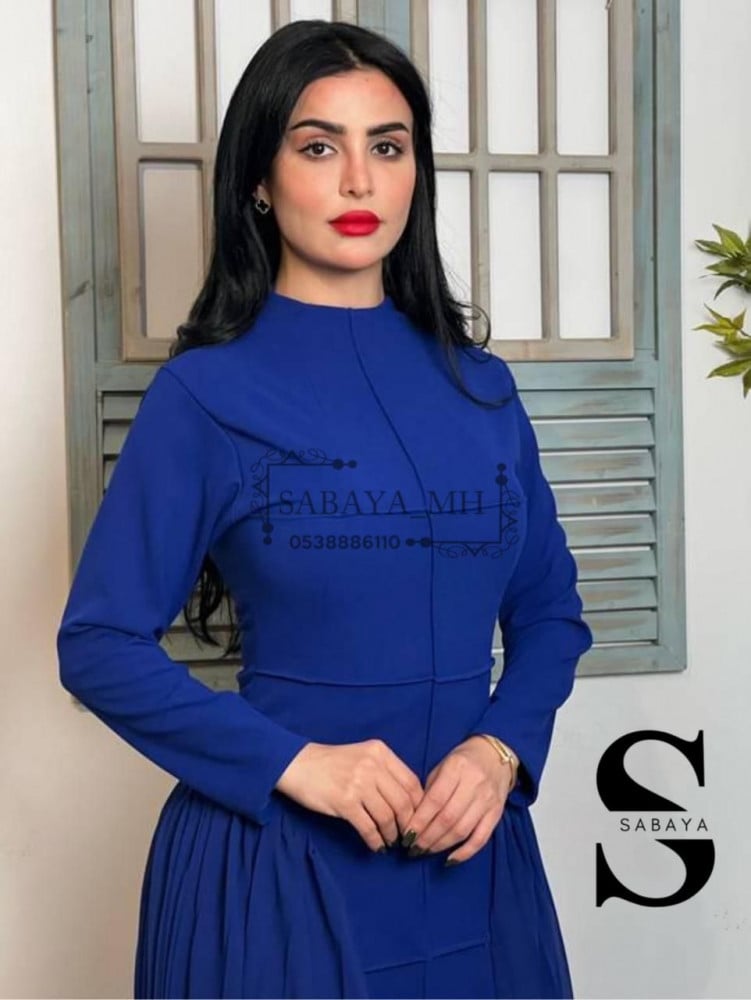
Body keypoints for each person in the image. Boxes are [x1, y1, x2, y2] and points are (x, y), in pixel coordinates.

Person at [56, 18, 593, 1000]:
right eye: (317, 147)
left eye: (386, 147)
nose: (357, 181)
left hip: (475, 862)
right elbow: (96, 643)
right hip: (278, 869)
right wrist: (294, 762)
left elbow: (551, 611)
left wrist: (500, 748)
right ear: (259, 180)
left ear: (416, 172)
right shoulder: (205, 395)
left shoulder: (482, 390)